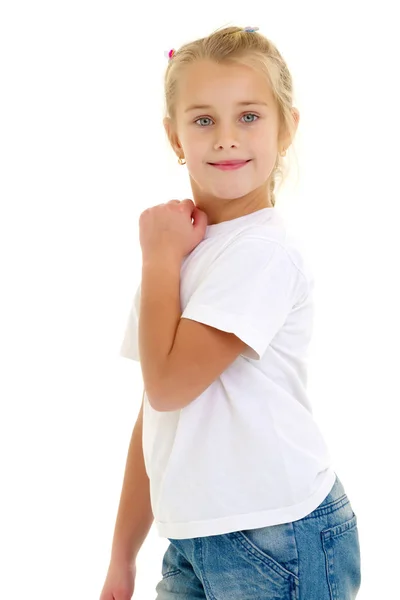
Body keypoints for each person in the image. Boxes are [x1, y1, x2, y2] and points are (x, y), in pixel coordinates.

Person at [100, 25, 361, 600]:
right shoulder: (179, 254)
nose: (225, 139)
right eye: (202, 120)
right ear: (174, 137)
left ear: (287, 127)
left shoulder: (260, 253)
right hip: (193, 537)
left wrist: (159, 257)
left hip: (278, 534)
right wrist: (122, 555)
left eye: (248, 116)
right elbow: (156, 415)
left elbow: (169, 386)